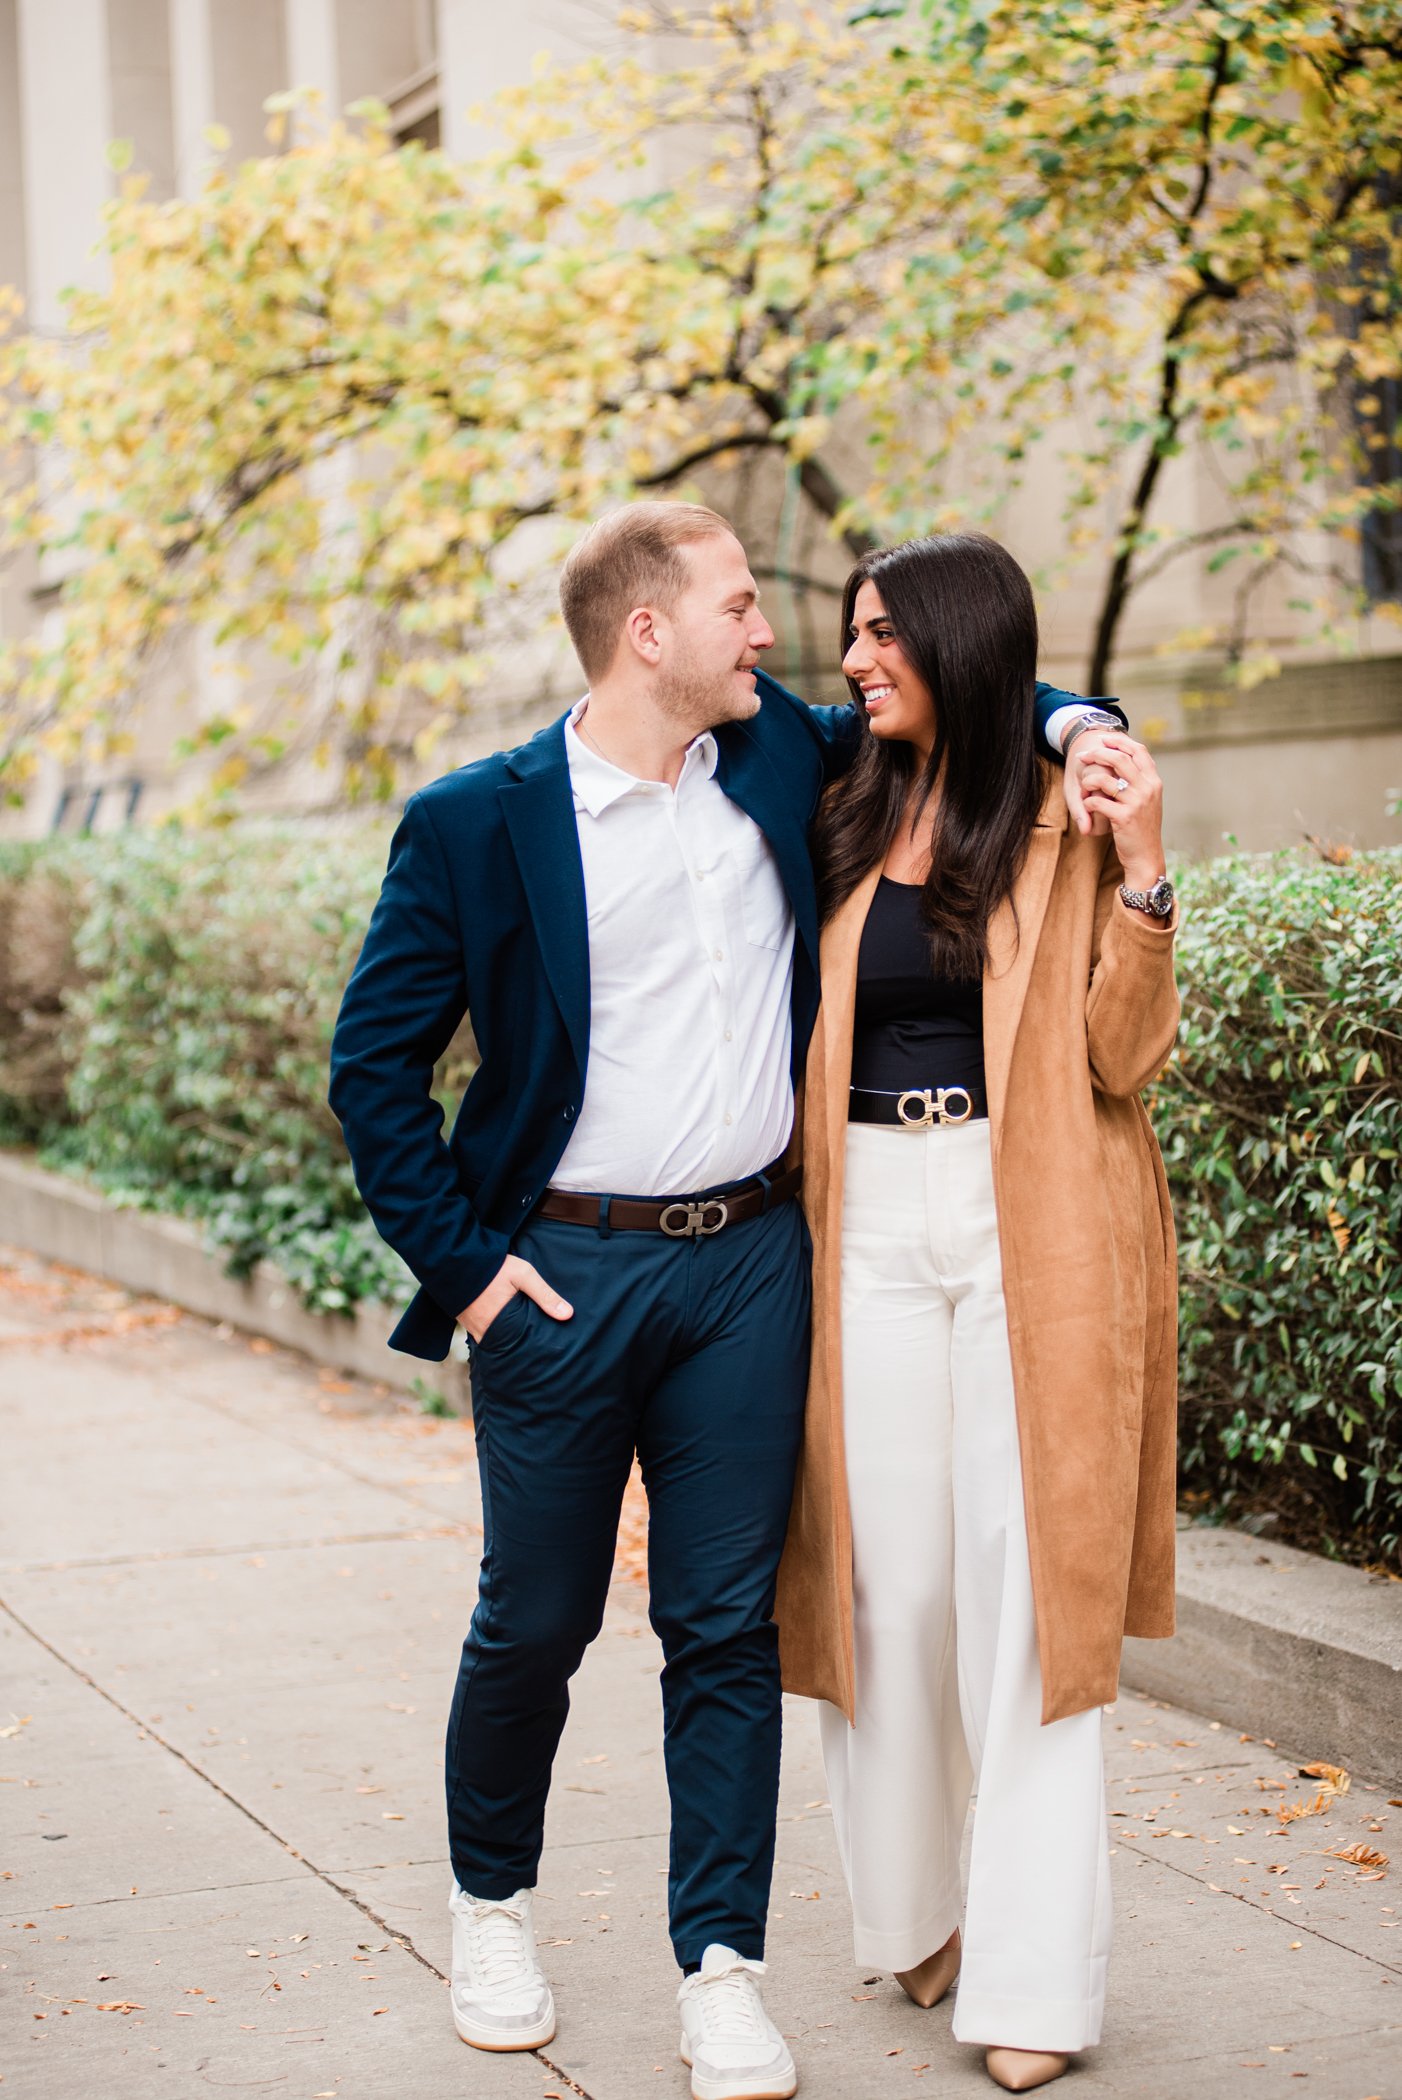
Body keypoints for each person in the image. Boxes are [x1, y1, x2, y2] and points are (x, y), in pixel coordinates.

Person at [329, 502, 1117, 2100]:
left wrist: (1088, 718)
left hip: (755, 1267)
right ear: (648, 635)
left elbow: (972, 687)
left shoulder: (774, 759)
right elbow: (372, 1076)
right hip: (564, 1278)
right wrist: (471, 1273)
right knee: (534, 1620)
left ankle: (721, 1968)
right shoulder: (476, 824)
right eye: (743, 607)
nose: (774, 639)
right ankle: (492, 1908)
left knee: (723, 1633)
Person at [774, 532, 1179, 2093]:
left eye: (884, 635)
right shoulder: (835, 803)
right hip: (864, 1218)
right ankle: (918, 1918)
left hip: (1034, 1222)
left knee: (1030, 1604)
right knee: (892, 1594)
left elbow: (1123, 1060)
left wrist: (1142, 870)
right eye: (849, 633)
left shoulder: (1068, 816)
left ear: (957, 642)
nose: (858, 659)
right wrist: (1076, 711)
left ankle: (1029, 1985)